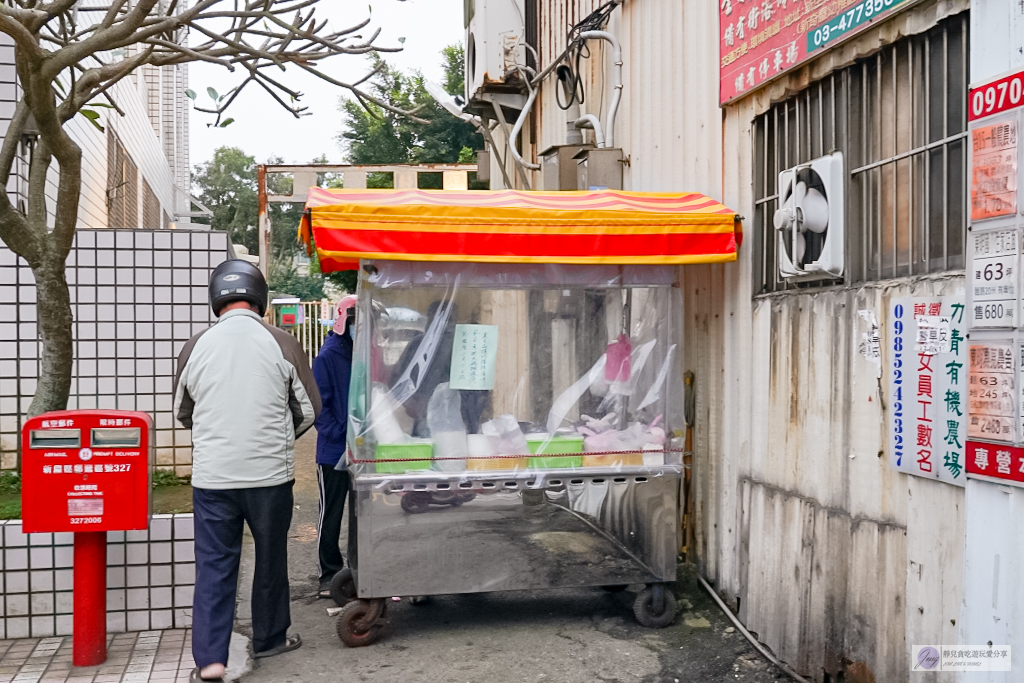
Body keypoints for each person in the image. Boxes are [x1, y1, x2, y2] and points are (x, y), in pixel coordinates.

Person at [173, 260, 321, 682]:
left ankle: (211, 659)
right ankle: (271, 637)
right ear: (261, 298)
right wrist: (275, 438)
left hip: (213, 479)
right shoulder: (283, 342)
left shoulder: (195, 346)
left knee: (215, 564)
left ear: (215, 298)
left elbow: (183, 412)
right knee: (270, 557)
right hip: (269, 477)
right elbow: (309, 410)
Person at [312, 295, 356, 598]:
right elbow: (319, 407)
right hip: (333, 451)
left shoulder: (366, 352)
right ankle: (328, 572)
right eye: (355, 323)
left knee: (362, 512)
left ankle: (359, 566)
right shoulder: (327, 356)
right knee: (332, 511)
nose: (359, 329)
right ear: (343, 323)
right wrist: (342, 432)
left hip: (364, 448)